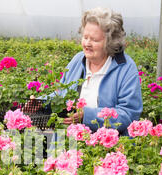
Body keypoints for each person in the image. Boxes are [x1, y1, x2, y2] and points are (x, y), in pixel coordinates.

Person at [51, 7, 143, 136]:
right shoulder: (78, 60)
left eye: (94, 40)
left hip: (107, 146)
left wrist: (86, 116)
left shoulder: (125, 68)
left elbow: (128, 113)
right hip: (70, 138)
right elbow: (59, 95)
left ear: (110, 42)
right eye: (85, 37)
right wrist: (38, 102)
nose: (87, 43)